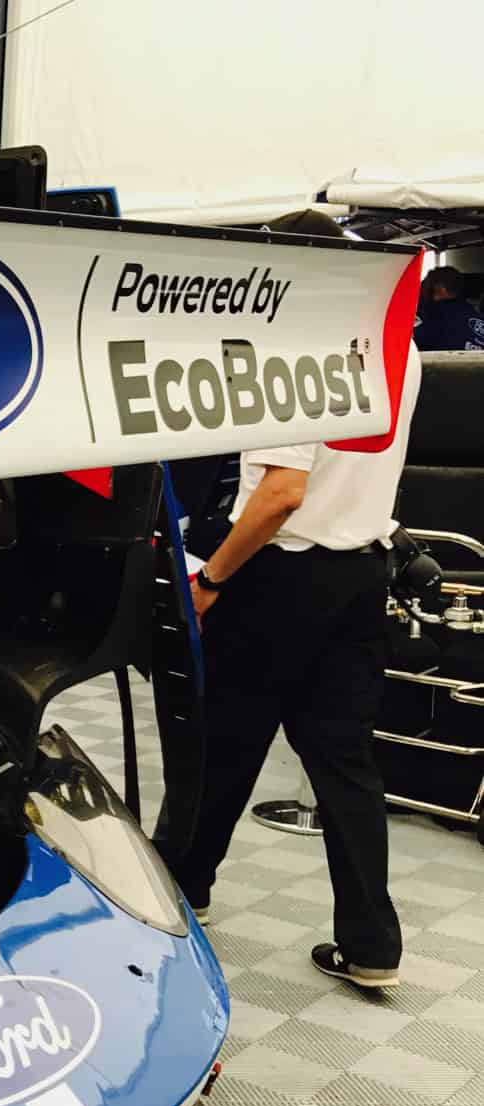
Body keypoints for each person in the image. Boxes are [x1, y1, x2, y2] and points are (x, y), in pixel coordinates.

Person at [168, 209, 423, 990]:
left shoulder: (288, 345)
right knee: (346, 762)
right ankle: (372, 945)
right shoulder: (400, 345)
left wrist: (210, 579)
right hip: (361, 572)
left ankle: (181, 891)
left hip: (281, 576)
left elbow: (281, 493)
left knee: (223, 742)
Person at [414, 266, 484, 351]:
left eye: (425, 286)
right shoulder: (475, 314)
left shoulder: (433, 315)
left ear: (440, 289)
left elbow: (410, 341)